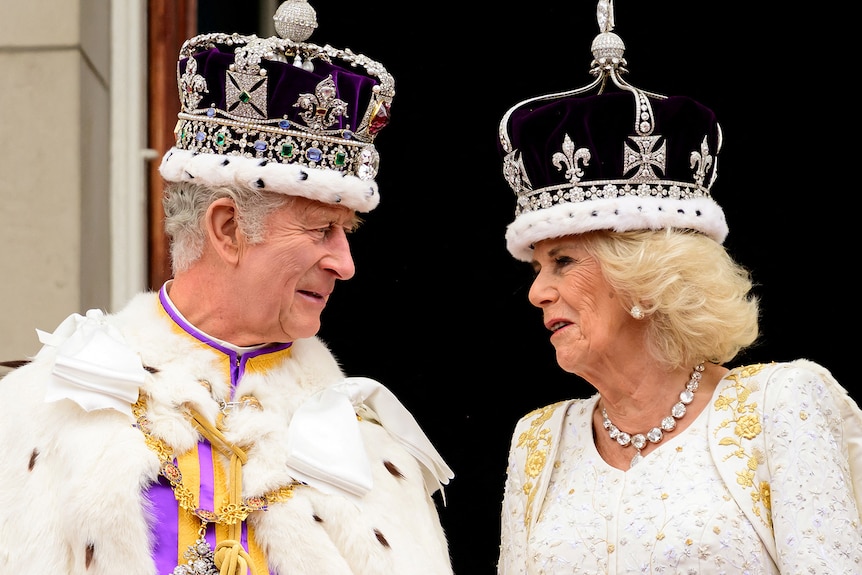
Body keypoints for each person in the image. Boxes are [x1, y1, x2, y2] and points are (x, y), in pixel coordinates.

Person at [0, 2, 454, 574]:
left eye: (346, 232)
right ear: (228, 229)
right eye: (322, 230)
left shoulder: (373, 448)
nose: (345, 262)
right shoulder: (44, 410)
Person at [495, 2, 862, 573]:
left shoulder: (780, 405)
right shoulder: (538, 439)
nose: (537, 292)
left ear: (647, 276)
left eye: (563, 261)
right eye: (536, 268)